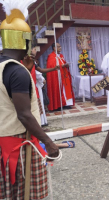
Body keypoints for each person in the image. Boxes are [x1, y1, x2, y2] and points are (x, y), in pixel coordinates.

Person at [0, 2, 59, 199]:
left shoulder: (8, 67)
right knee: (25, 194)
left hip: (3, 139)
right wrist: (48, 142)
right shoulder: (17, 72)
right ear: (24, 41)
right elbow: (24, 115)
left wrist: (24, 69)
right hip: (17, 142)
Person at [47, 43, 75, 111]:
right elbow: (52, 67)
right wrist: (61, 66)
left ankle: (65, 104)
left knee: (65, 91)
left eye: (60, 46)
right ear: (54, 48)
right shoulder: (51, 56)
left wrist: (66, 65)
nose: (60, 48)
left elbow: (62, 63)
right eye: (58, 46)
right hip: (56, 77)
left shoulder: (61, 55)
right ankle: (58, 105)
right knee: (57, 90)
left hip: (64, 76)